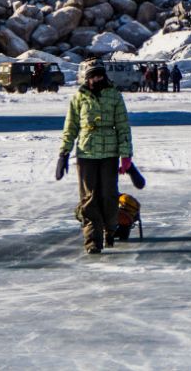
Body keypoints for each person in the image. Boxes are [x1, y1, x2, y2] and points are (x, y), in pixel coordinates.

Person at [56, 59, 134, 255]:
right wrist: (63, 152)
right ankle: (92, 241)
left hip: (109, 153)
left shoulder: (114, 95)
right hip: (86, 153)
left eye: (99, 75)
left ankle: (110, 230)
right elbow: (71, 126)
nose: (96, 79)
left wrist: (126, 155)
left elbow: (123, 127)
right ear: (87, 78)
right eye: (93, 76)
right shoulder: (79, 97)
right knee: (89, 198)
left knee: (108, 196)